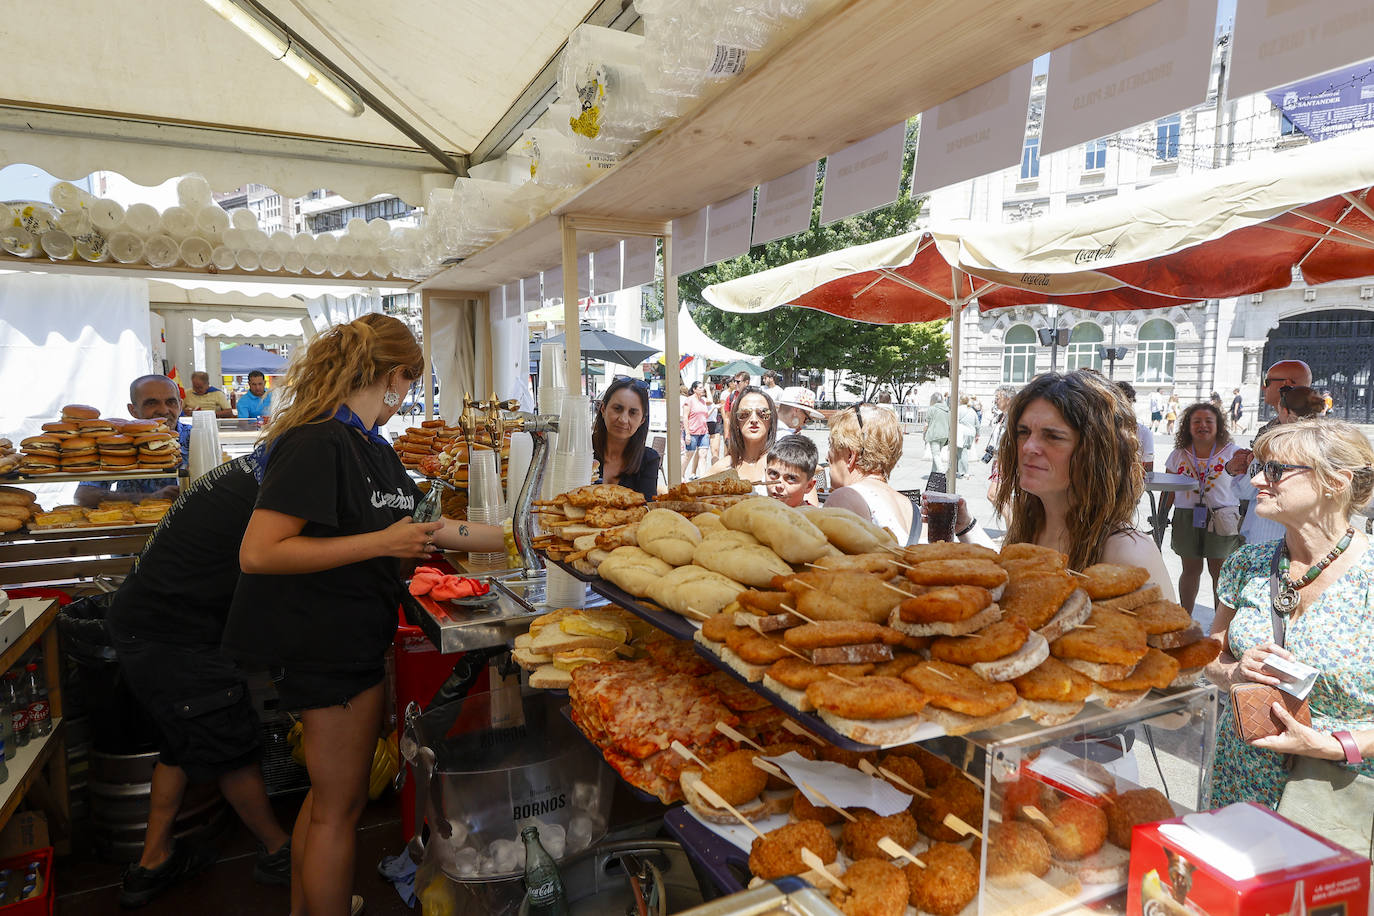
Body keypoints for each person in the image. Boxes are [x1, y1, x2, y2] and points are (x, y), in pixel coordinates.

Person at [222, 314, 504, 916]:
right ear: (392, 375)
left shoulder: (368, 447)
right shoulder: (317, 439)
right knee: (340, 809)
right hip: (323, 641)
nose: (404, 400)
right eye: (408, 383)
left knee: (327, 799)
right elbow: (259, 552)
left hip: (348, 634)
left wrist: (511, 535)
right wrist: (381, 546)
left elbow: (417, 529)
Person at [109, 455, 292, 907]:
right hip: (172, 637)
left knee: (180, 742)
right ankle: (278, 850)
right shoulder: (277, 490)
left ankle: (153, 862)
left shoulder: (249, 471)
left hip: (141, 624)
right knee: (231, 745)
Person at [1203, 420, 1374, 853]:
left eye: (1276, 470)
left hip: (1335, 796)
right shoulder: (1249, 562)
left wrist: (1334, 745)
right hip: (1239, 782)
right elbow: (1211, 656)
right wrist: (1235, 671)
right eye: (1259, 466)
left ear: (1336, 482)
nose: (1256, 479)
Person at [991, 371, 1173, 591]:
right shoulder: (1030, 525)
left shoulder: (1128, 552)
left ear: (1097, 452)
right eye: (1023, 431)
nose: (1028, 447)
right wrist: (966, 527)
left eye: (1053, 436)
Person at [1160, 402, 1243, 614]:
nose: (1202, 425)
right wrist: (1161, 516)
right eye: (1196, 421)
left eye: (1208, 421)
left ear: (1219, 425)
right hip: (1186, 517)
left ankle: (1219, 625)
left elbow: (1244, 488)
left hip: (1221, 517)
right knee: (1190, 570)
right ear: (1188, 426)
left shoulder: (1233, 452)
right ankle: (1184, 619)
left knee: (1220, 572)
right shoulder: (1178, 454)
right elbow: (1167, 490)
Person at [1225, 360, 1314, 547]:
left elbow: (1252, 483)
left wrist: (1246, 470)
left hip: (1277, 535)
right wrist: (1237, 466)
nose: (1263, 387)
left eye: (1267, 381)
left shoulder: (1304, 433)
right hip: (1259, 526)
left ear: (1286, 384)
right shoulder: (1272, 427)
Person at [74, 374, 190, 507]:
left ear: (180, 405)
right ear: (132, 410)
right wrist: (148, 498)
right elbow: (84, 496)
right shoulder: (116, 444)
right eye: (151, 403)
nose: (164, 410)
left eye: (171, 402)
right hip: (135, 525)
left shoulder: (197, 438)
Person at [824, 405, 922, 545]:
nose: (827, 457)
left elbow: (827, 565)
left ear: (851, 455)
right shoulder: (912, 508)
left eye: (831, 445)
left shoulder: (845, 498)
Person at [594, 376, 661, 501]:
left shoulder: (648, 460)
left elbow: (646, 509)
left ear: (642, 420)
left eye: (633, 412)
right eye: (617, 409)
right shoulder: (582, 451)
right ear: (603, 409)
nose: (623, 419)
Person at [709, 385, 777, 483]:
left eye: (763, 413)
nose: (754, 420)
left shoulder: (784, 464)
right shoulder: (723, 467)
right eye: (744, 413)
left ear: (771, 420)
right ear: (736, 422)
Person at [765, 435, 819, 508]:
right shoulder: (753, 514)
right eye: (773, 474)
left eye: (791, 478)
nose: (778, 485)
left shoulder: (814, 518)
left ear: (809, 486)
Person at [1116, 381, 1155, 471]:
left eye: (1127, 402)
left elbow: (1148, 468)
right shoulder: (1103, 430)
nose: (1123, 408)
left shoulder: (1143, 432)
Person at [682, 381, 711, 480]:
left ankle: (703, 477)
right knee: (688, 455)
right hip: (692, 431)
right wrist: (687, 434)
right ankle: (681, 474)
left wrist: (708, 389)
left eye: (702, 387)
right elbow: (685, 417)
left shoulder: (703, 401)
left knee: (703, 455)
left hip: (704, 431)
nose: (702, 389)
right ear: (694, 389)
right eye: (700, 387)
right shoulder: (689, 400)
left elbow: (709, 405)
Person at [705, 385, 723, 464]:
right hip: (705, 424)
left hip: (714, 424)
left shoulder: (712, 401)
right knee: (702, 452)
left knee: (715, 451)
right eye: (714, 389)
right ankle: (693, 471)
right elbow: (706, 414)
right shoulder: (704, 400)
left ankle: (715, 470)